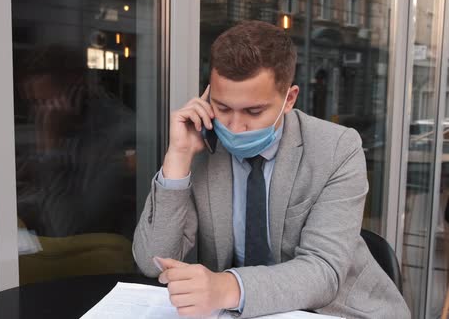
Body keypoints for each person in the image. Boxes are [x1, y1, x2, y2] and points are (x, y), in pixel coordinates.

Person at [132, 20, 410, 318]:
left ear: (289, 99)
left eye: (254, 111)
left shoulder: (337, 148)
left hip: (331, 311)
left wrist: (226, 287)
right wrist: (178, 157)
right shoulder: (200, 143)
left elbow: (324, 270)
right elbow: (152, 262)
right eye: (223, 107)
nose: (235, 127)